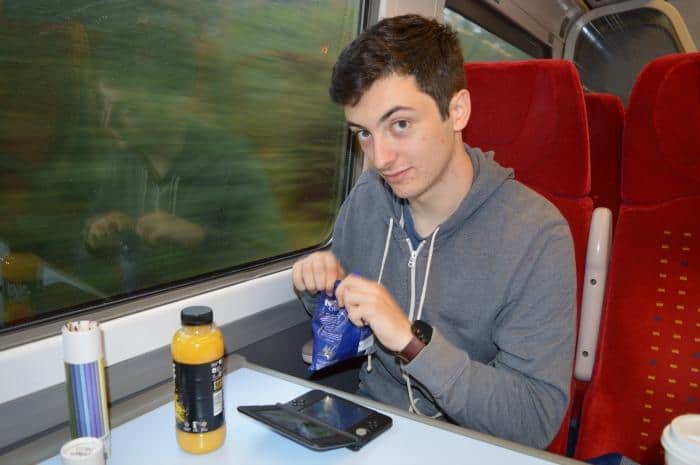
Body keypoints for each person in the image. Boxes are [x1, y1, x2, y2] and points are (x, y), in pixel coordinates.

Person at [291, 14, 576, 449]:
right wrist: (322, 289)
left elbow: (534, 418)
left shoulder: (537, 236)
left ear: (457, 110)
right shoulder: (367, 199)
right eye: (363, 134)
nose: (379, 158)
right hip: (368, 430)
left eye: (400, 124)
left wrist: (412, 343)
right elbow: (347, 329)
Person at [84, 80, 286, 292]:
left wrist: (198, 236)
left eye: (128, 109)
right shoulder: (121, 160)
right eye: (105, 106)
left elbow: (271, 255)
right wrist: (97, 237)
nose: (108, 123)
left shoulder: (230, 161)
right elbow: (87, 243)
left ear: (168, 107)